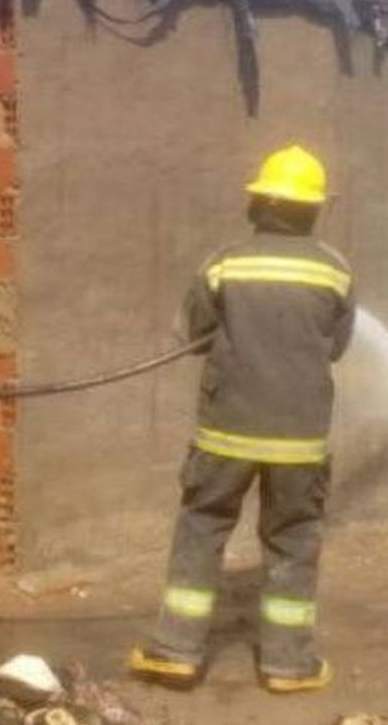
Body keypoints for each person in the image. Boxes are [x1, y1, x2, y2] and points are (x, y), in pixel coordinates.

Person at [130, 145, 356, 695]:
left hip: (225, 433)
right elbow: (336, 347)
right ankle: (288, 665)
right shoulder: (336, 272)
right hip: (300, 441)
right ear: (314, 209)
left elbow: (196, 334)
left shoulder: (225, 262)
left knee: (202, 528)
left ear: (258, 204)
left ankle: (176, 652)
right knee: (293, 540)